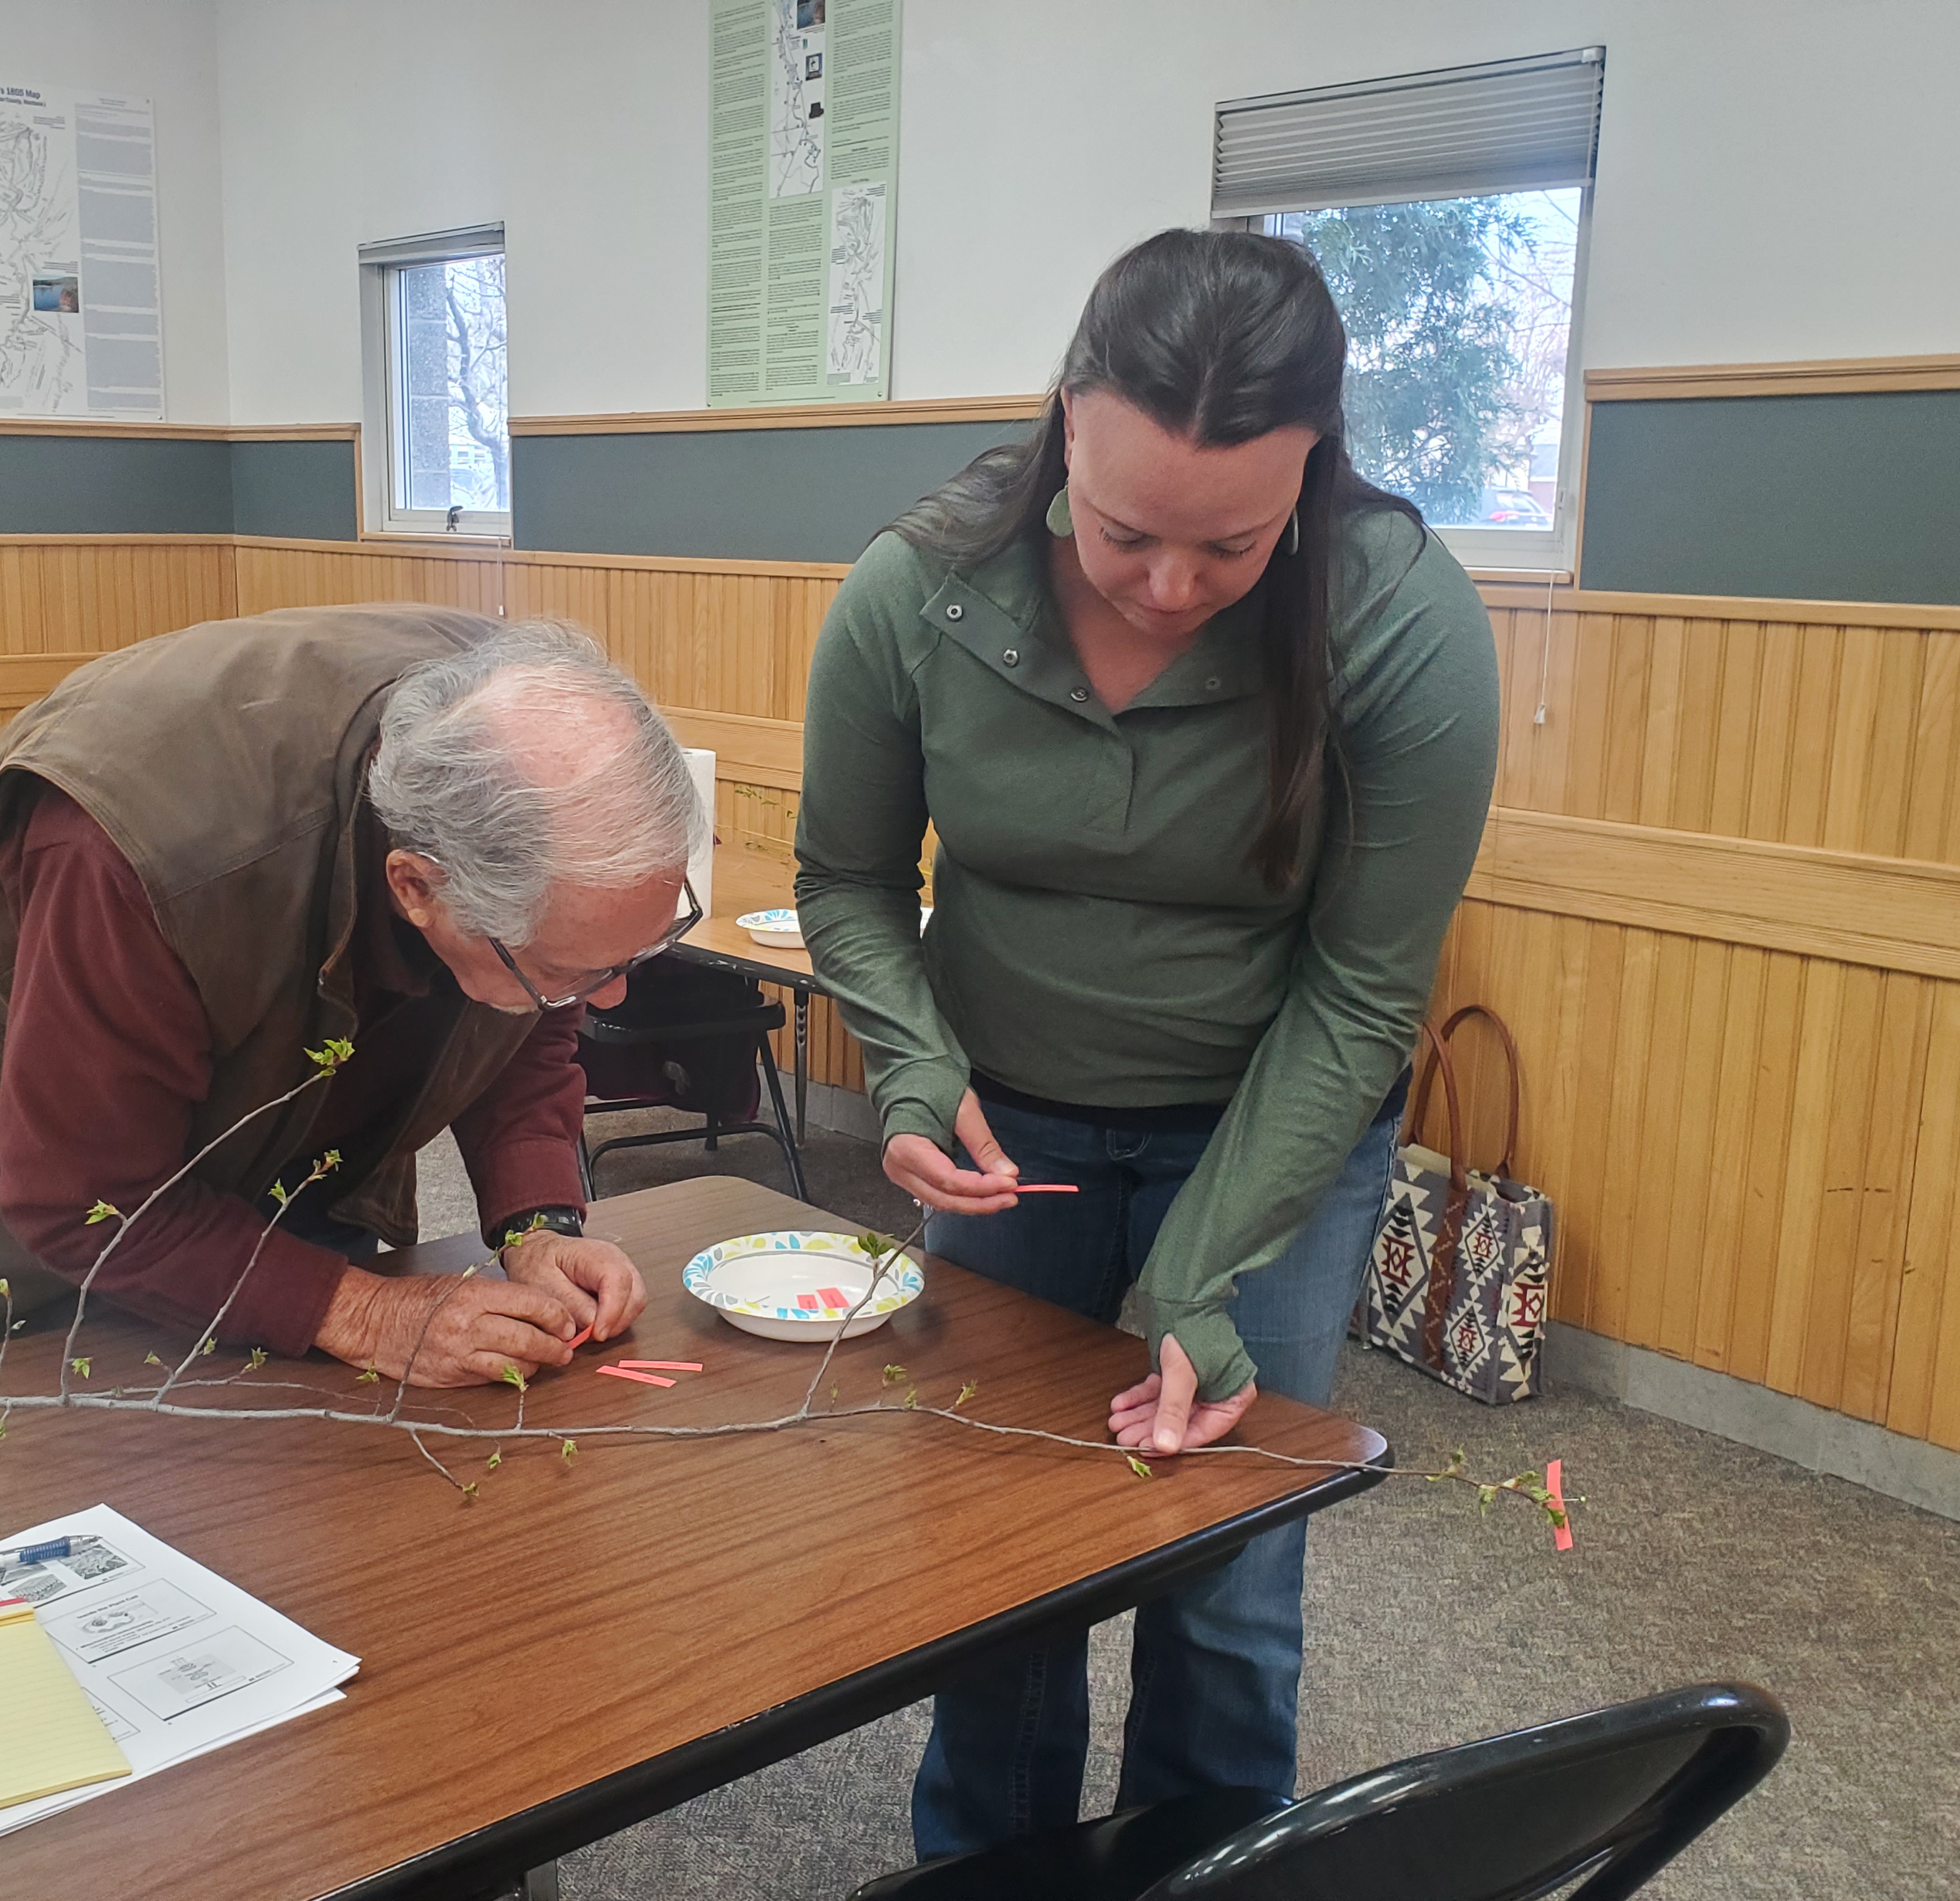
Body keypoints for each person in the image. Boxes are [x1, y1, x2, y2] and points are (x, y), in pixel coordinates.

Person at [792, 229, 1500, 1852]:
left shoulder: (1401, 620)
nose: (1170, 588)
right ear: (1064, 429)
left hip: (1281, 1133)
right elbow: (843, 878)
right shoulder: (917, 588)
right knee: (993, 1535)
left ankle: (1213, 1866)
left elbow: (1361, 988)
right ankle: (995, 1868)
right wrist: (910, 1065)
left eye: (1233, 546)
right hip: (1007, 1134)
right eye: (1124, 533)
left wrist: (1198, 1269)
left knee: (1228, 1554)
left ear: (1312, 468)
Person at [0, 609, 705, 1382]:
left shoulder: (528, 741)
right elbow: (86, 1199)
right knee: (101, 1447)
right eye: (582, 971)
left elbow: (530, 1005)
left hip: (266, 1056)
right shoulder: (142, 856)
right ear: (417, 887)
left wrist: (537, 1220)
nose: (611, 997)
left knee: (308, 1444)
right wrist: (362, 1310)